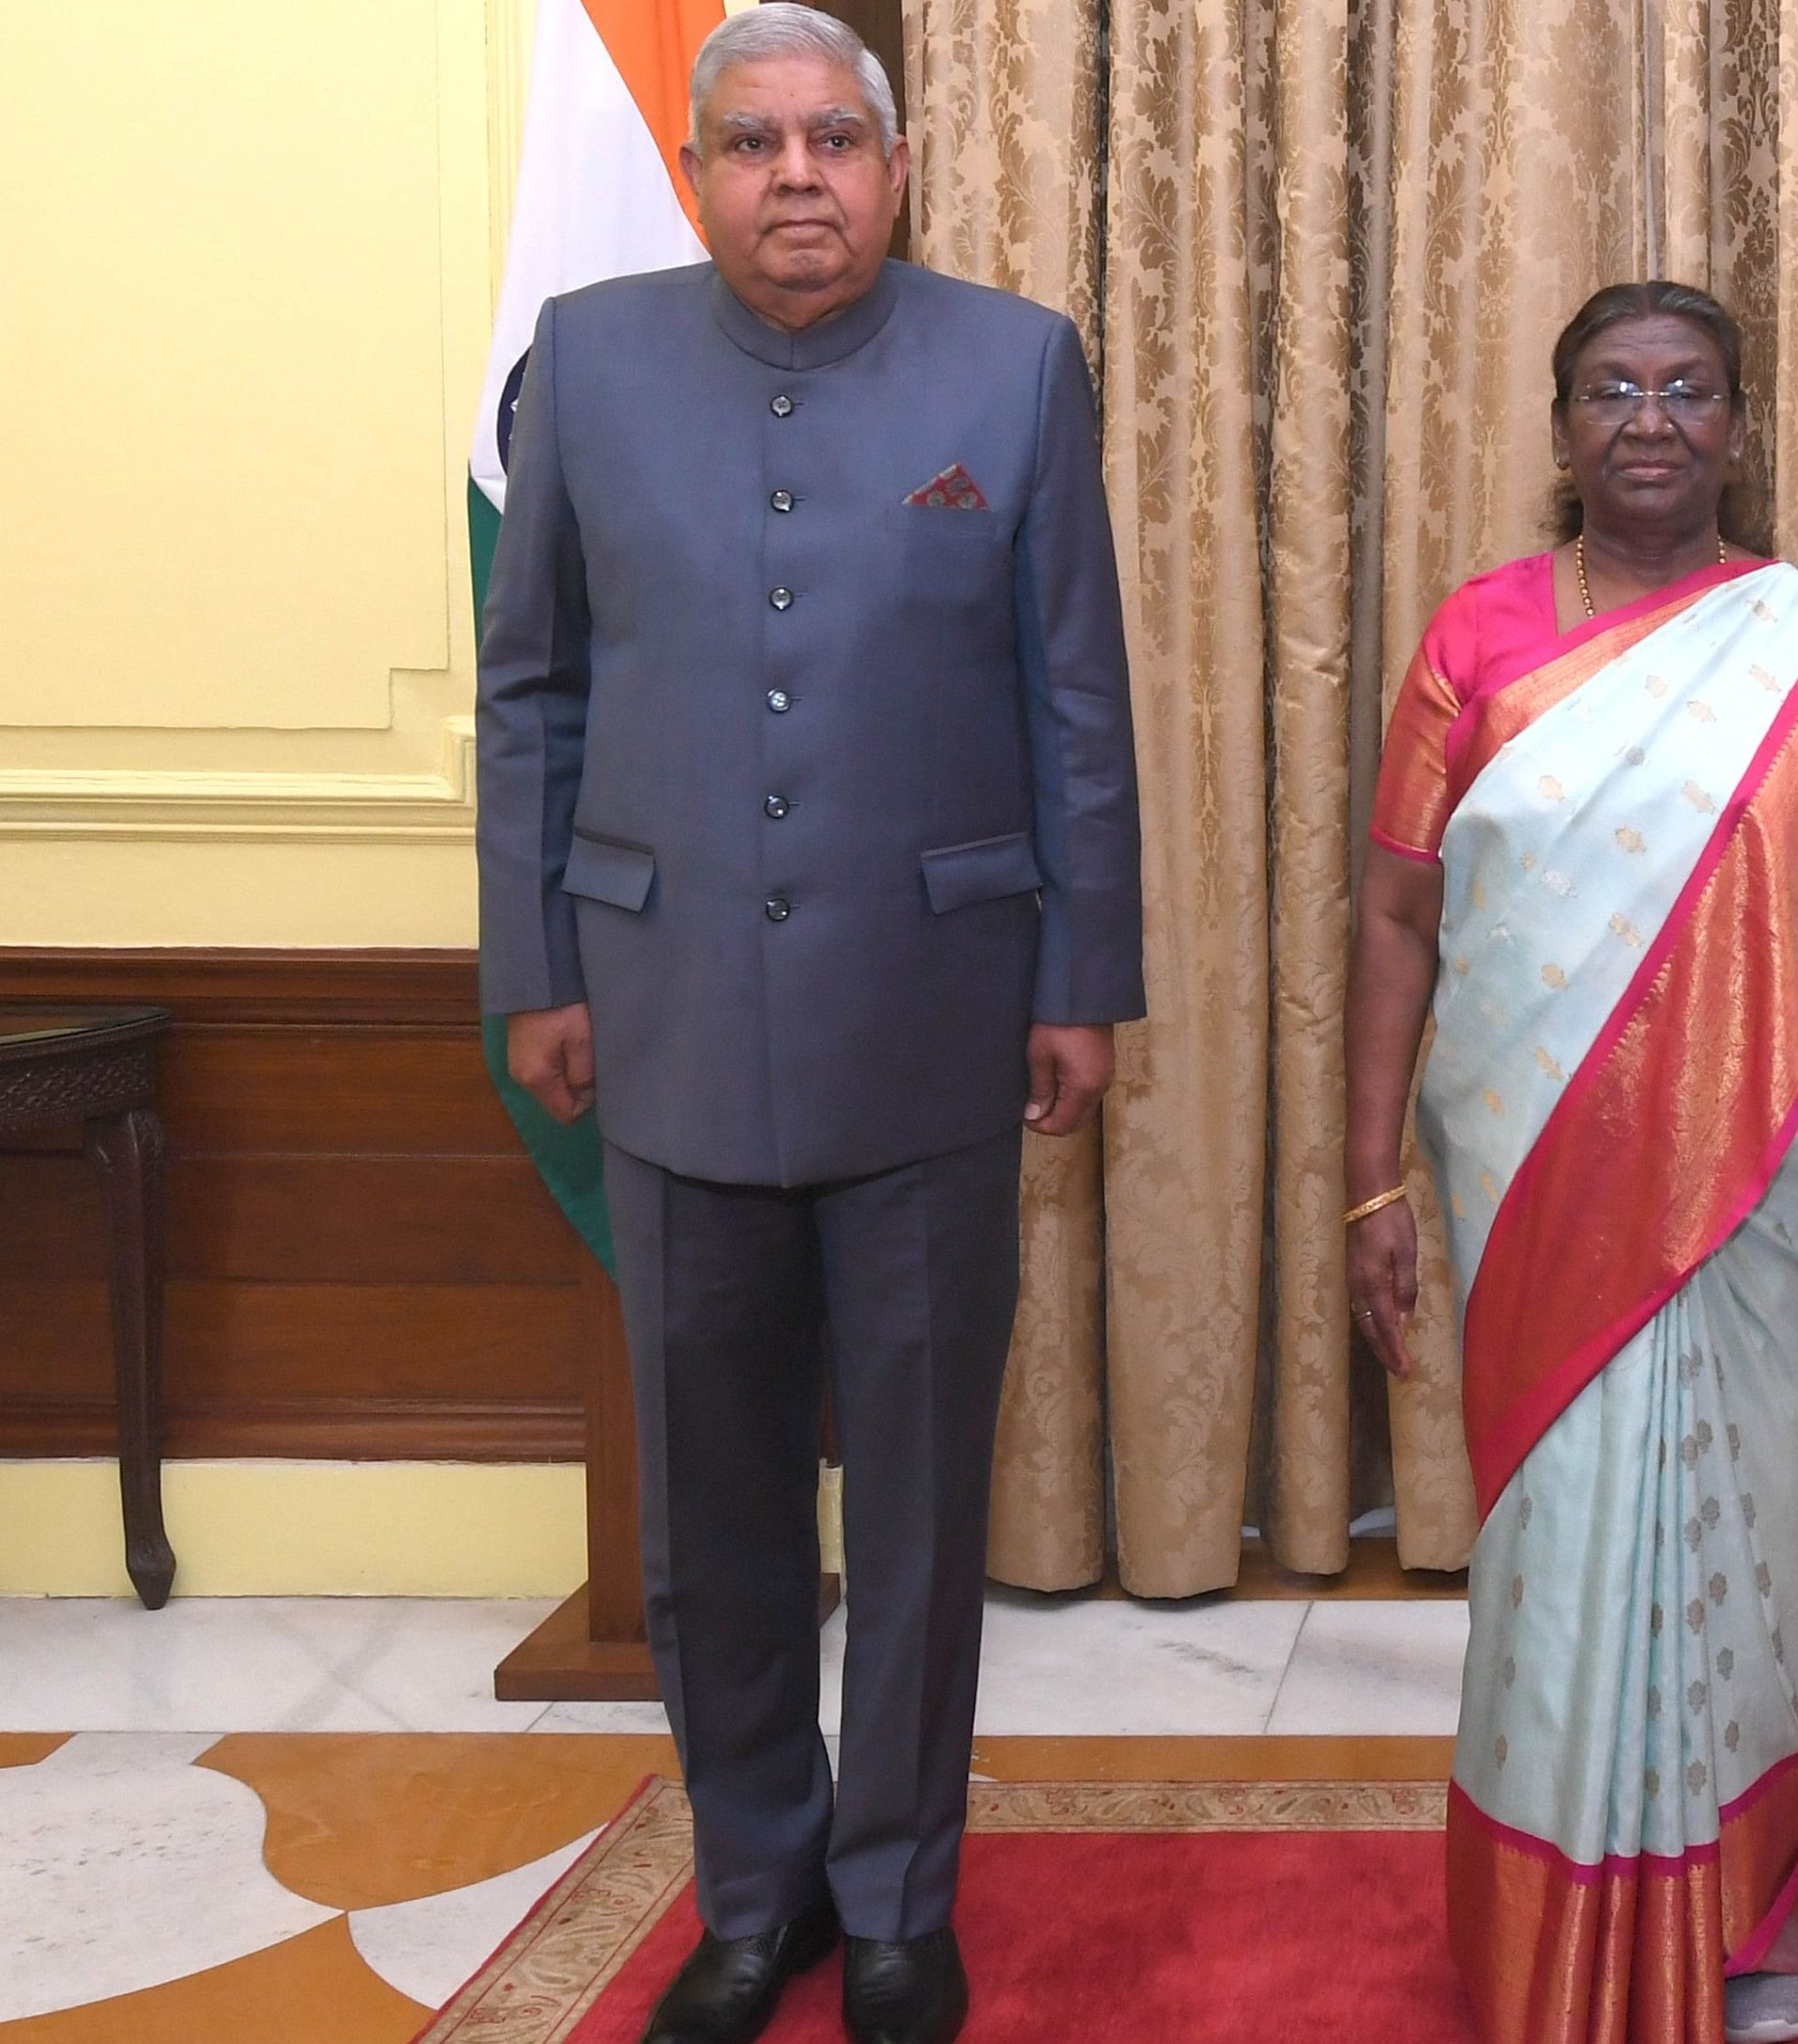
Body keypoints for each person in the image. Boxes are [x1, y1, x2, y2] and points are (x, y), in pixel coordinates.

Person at [475, 12, 1143, 2044]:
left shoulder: (1009, 364)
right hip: (662, 1018)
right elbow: (534, 701)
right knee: (717, 1514)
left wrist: (1079, 982)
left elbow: (1074, 703)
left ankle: (901, 1899)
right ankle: (755, 1895)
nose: (795, 176)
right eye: (752, 142)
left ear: (899, 161)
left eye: (834, 139)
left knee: (928, 1507)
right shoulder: (588, 362)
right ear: (693, 171)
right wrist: (536, 967)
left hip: (937, 1022)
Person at [1343, 282, 1798, 2044]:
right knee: (1556, 1554)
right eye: (1613, 391)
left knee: (1747, 1555)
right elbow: (1399, 918)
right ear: (1560, 429)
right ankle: (1538, 1931)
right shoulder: (1476, 638)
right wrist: (1366, 1181)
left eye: (1690, 390)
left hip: (1761, 1189)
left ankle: (1743, 1908)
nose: (1651, 420)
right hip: (1528, 1177)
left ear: (1739, 424)